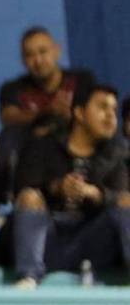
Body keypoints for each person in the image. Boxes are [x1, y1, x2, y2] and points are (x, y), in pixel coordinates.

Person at [12, 83, 129, 287]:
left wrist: (95, 193)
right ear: (80, 113)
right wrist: (58, 187)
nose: (111, 116)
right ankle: (29, 277)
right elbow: (22, 189)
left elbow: (120, 198)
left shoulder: (117, 154)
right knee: (29, 196)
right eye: (102, 107)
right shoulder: (43, 146)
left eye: (114, 110)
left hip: (92, 241)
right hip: (48, 237)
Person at [0, 28, 95, 203]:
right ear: (23, 60)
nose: (38, 60)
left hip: (72, 145)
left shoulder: (81, 80)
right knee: (10, 136)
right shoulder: (13, 88)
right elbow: (8, 117)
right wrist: (48, 111)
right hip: (33, 151)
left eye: (43, 51)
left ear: (57, 51)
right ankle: (2, 194)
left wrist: (50, 125)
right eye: (30, 55)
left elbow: (89, 115)